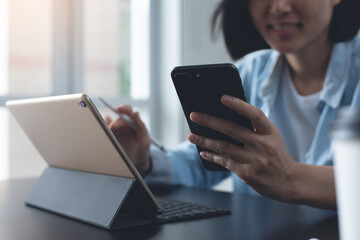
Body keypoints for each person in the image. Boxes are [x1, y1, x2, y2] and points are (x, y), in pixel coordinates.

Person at [106, 0, 360, 210]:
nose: (279, 7)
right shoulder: (252, 71)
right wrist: (143, 163)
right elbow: (208, 159)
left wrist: (290, 177)